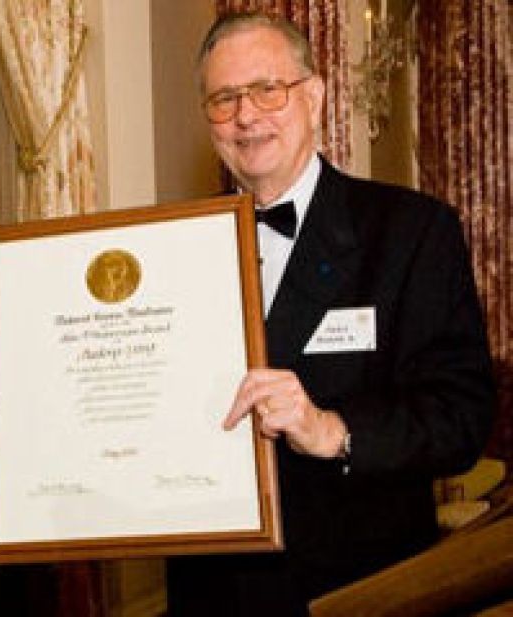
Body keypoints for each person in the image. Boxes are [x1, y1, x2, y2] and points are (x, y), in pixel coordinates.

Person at [166, 12, 497, 616]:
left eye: (269, 89)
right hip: (210, 593)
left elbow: (461, 418)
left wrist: (333, 430)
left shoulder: (411, 232)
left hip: (358, 587)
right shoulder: (174, 245)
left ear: (314, 97)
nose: (246, 115)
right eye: (224, 98)